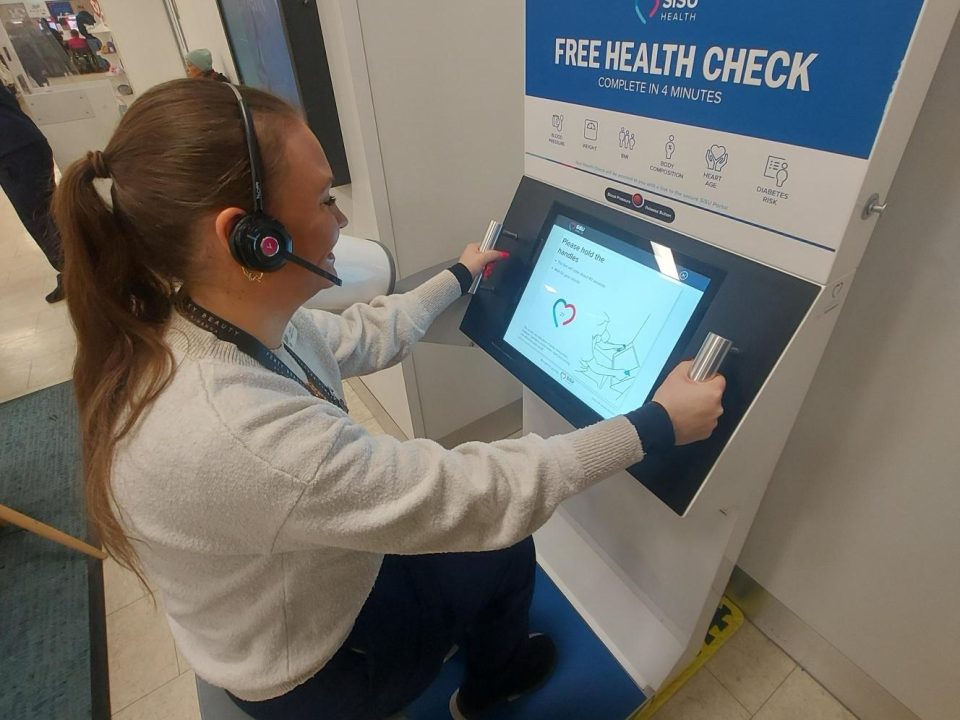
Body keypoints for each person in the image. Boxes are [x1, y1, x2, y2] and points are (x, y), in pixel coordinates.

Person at [52, 79, 724, 720]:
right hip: (321, 668)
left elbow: (354, 336)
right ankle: (495, 685)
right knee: (508, 545)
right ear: (250, 236)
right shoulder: (239, 432)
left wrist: (458, 277)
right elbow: (474, 495)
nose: (341, 219)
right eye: (322, 201)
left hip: (283, 601)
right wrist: (653, 425)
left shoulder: (190, 319)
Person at [1, 83, 63, 302]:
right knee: (51, 213)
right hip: (25, 143)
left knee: (40, 218)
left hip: (13, 153)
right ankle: (75, 272)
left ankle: (77, 275)